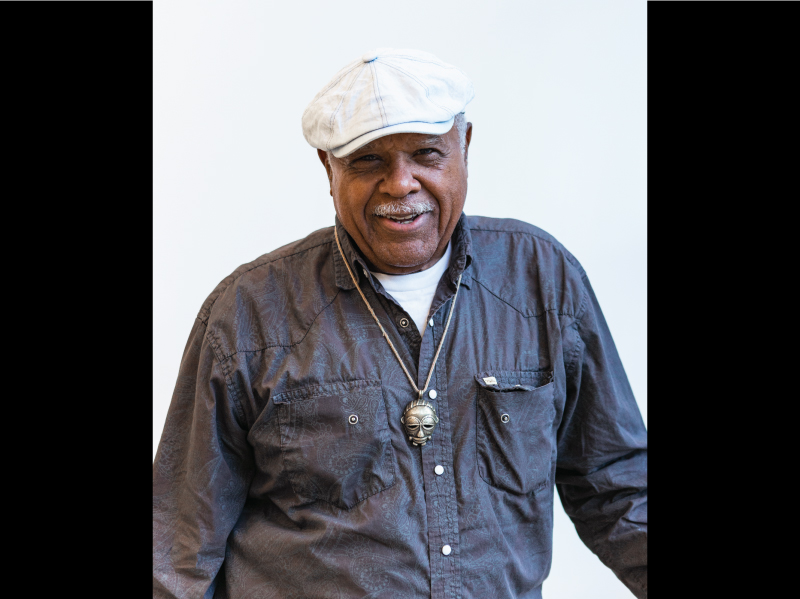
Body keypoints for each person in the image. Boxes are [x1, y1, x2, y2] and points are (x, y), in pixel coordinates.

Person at [153, 48, 647, 599]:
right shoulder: (249, 312)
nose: (400, 184)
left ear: (465, 147)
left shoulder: (542, 280)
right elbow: (177, 545)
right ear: (327, 167)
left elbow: (618, 489)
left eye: (426, 154)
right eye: (367, 162)